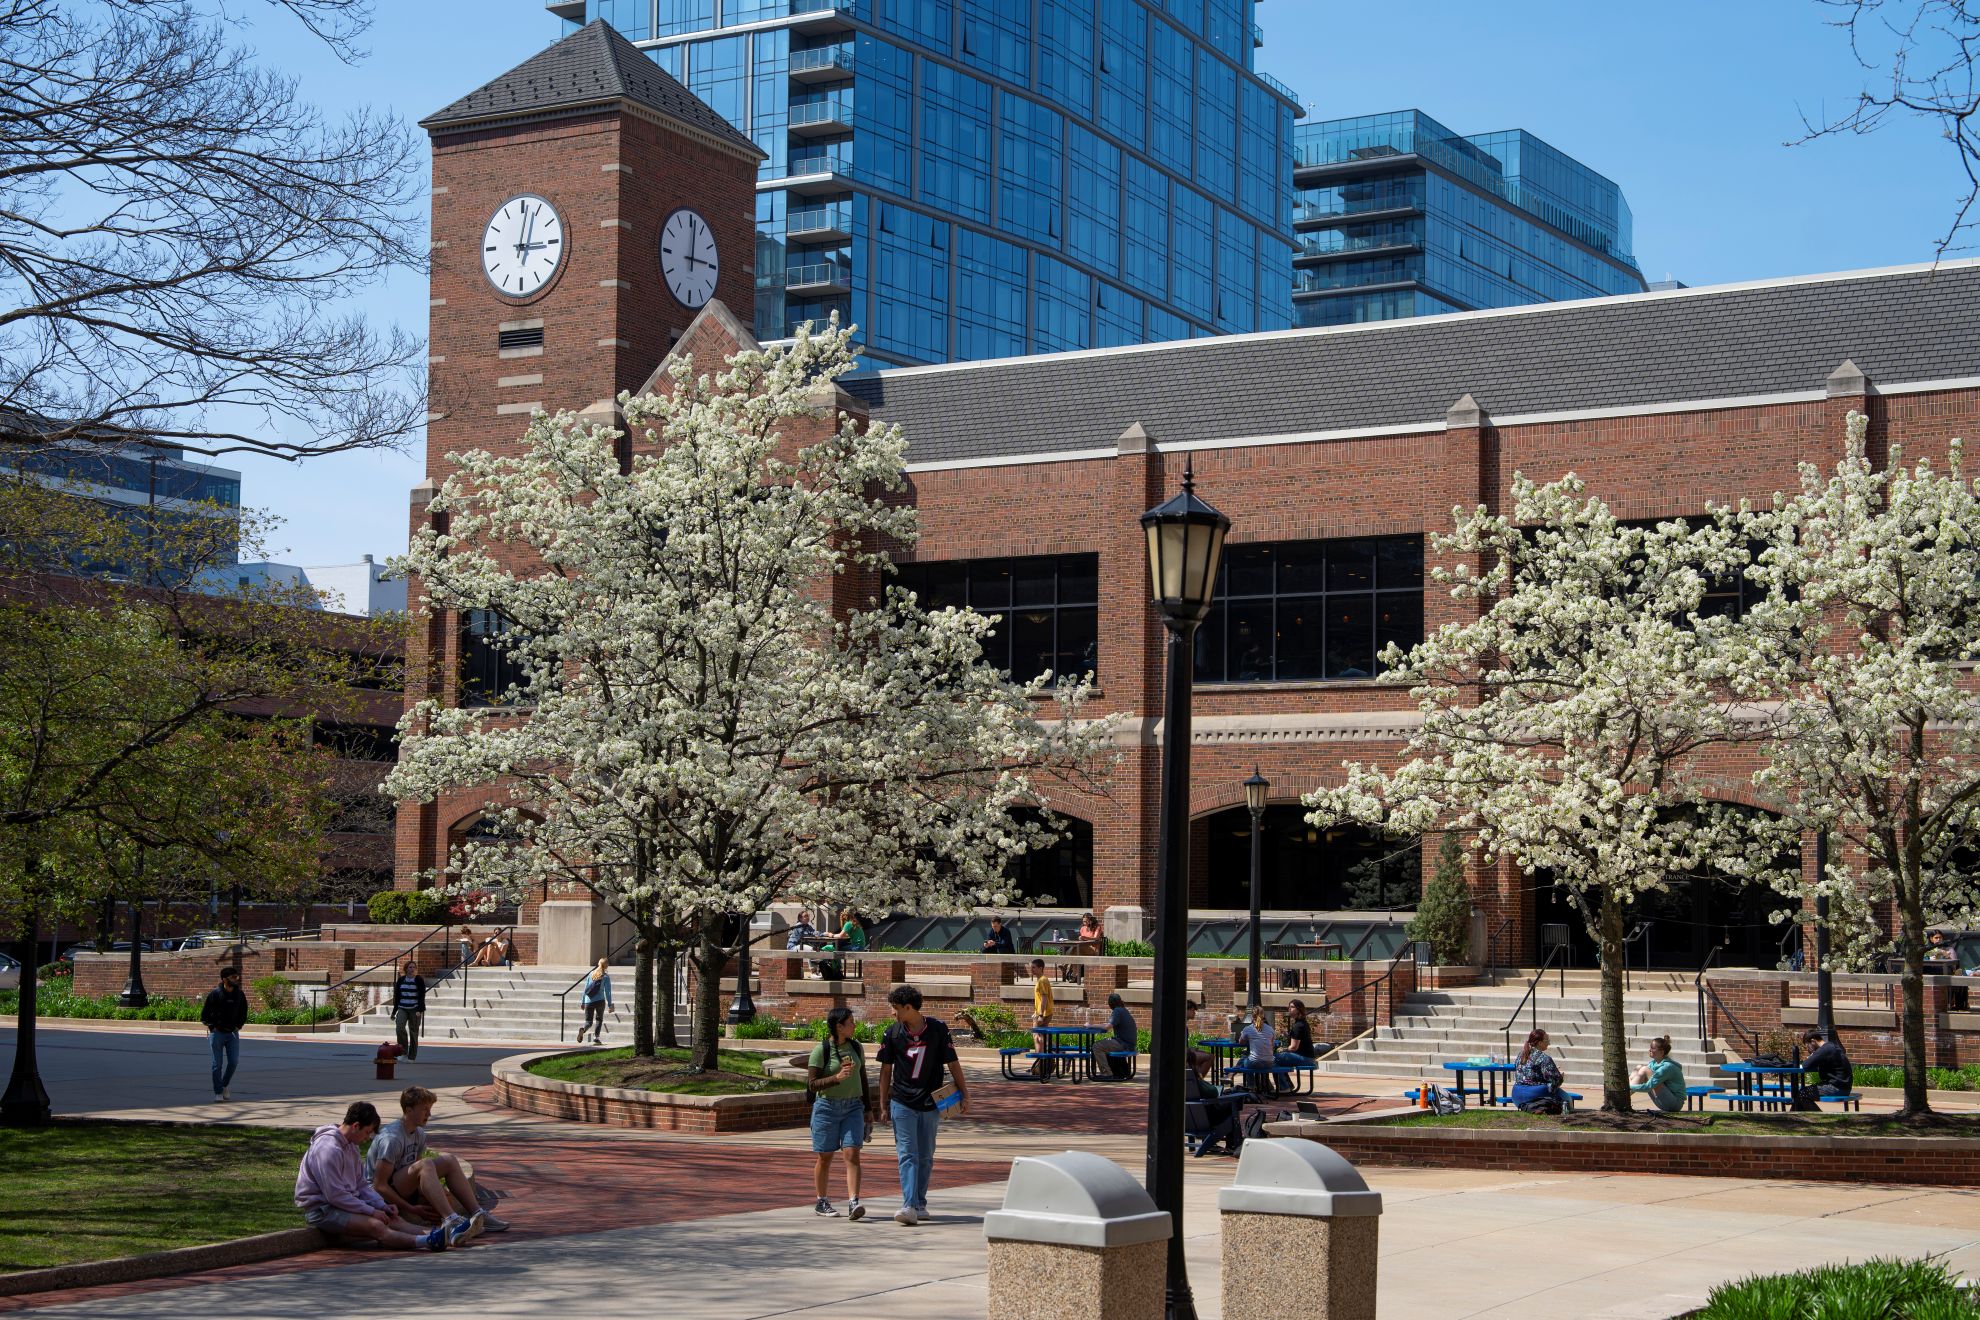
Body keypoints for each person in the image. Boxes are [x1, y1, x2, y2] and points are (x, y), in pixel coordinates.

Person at [296, 1100, 458, 1251]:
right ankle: (427, 1242)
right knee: (377, 1225)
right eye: (367, 1133)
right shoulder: (328, 1150)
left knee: (393, 1219)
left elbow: (360, 1184)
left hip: (346, 1203)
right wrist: (371, 1211)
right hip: (323, 1210)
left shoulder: (351, 1146)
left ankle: (444, 1235)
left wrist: (381, 1205)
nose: (367, 1139)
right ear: (356, 1126)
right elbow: (335, 1196)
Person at [876, 984, 969, 1226]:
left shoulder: (938, 1029)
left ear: (909, 1008)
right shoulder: (892, 1033)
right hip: (902, 1102)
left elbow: (953, 1063)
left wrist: (964, 1093)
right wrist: (883, 1103)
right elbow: (885, 1071)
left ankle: (919, 1202)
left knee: (926, 1155)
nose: (893, 1013)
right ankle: (908, 1205)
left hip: (930, 1103)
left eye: (896, 1008)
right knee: (908, 1154)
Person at [368, 1086, 508, 1234]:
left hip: (401, 1186)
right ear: (409, 1111)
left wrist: (436, 1194)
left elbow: (417, 1173)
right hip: (380, 1196)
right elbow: (379, 1185)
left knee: (449, 1160)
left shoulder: (419, 1133)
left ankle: (478, 1213)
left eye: (430, 1109)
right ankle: (451, 1220)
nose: (429, 1114)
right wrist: (411, 1208)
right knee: (426, 1163)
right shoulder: (392, 1139)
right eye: (424, 1109)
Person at [806, 1006, 875, 1220]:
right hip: (827, 1107)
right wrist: (836, 1078)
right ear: (839, 1026)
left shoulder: (856, 1047)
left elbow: (862, 1078)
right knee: (825, 1156)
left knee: (852, 1152)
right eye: (851, 1022)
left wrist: (869, 1108)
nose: (854, 1025)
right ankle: (822, 1201)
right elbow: (812, 1084)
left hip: (853, 1107)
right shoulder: (821, 1050)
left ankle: (853, 1201)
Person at [200, 964, 248, 1102]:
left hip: (232, 1033)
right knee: (217, 1064)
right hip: (217, 1033)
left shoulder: (239, 994)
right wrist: (212, 1027)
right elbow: (204, 1014)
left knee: (233, 1062)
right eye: (233, 977)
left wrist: (239, 1026)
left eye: (237, 976)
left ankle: (224, 1084)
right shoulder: (215, 994)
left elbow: (243, 1012)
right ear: (224, 979)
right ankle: (218, 1092)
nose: (236, 979)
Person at [1185, 1049, 1244, 1157]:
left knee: (1228, 1100)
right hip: (1208, 1119)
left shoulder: (1179, 1079)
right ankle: (1233, 1144)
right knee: (1233, 1102)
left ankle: (1214, 1143)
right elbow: (1213, 1092)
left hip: (1190, 1121)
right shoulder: (1195, 1081)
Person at [1511, 1028, 1567, 1113]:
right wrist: (1560, 1076)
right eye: (1547, 1040)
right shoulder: (1544, 1058)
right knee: (1567, 1098)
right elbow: (1554, 1082)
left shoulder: (1521, 1055)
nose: (1549, 1043)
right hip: (1534, 1095)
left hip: (1516, 1096)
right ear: (1540, 1043)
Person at [1795, 1028, 1854, 1107]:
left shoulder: (1825, 1049)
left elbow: (1806, 1065)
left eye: (1807, 1046)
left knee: (1802, 1094)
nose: (1808, 1049)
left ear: (1813, 1041)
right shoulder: (1830, 1046)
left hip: (1837, 1088)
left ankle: (1817, 1117)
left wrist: (1812, 1055)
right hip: (1844, 1087)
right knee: (1801, 1093)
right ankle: (1795, 1116)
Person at [1628, 1034, 1686, 1112]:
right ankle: (1622, 1095)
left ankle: (1622, 1096)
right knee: (1639, 1067)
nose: (1649, 1050)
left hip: (1674, 1104)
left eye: (1652, 1048)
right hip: (1663, 1099)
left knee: (1644, 1069)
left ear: (1661, 1052)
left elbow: (1648, 1087)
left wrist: (1629, 1086)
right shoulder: (1653, 1063)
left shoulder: (1667, 1067)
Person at [1237, 1006, 1284, 1093]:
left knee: (1245, 1059)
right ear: (1263, 1016)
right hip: (1269, 1062)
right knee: (1258, 1058)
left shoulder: (1248, 1029)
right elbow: (1272, 1045)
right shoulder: (1270, 1029)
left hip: (1255, 1062)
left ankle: (1251, 1086)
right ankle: (1265, 1085)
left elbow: (1241, 1042)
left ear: (1252, 1016)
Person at [391, 961, 427, 1063]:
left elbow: (422, 995)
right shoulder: (401, 980)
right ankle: (402, 1052)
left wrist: (420, 1010)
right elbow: (397, 996)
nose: (412, 969)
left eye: (414, 968)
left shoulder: (419, 979)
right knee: (399, 1028)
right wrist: (394, 1011)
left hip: (415, 1009)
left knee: (413, 1032)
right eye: (410, 967)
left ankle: (412, 1057)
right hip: (402, 1007)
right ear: (406, 969)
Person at [1099, 991, 1137, 1079]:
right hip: (1129, 1044)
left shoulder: (1117, 1011)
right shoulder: (1123, 1010)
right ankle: (1118, 1071)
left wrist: (1090, 1026)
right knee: (1105, 1043)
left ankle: (1107, 1073)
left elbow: (1107, 1027)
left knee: (1096, 1046)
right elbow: (1110, 1023)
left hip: (1124, 1044)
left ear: (1111, 1003)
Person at [1028, 957, 1055, 1077]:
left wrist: (1040, 1015)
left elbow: (1044, 998)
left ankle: (1039, 1064)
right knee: (1043, 1038)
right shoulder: (1041, 980)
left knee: (1037, 1037)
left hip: (1042, 1014)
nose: (1032, 970)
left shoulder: (1042, 981)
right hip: (1042, 1013)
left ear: (1041, 968)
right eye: (1031, 967)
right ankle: (1047, 1061)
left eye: (1034, 967)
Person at [576, 958, 613, 1045]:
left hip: (589, 1001)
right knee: (599, 1019)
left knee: (588, 1021)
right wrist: (610, 1004)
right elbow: (608, 992)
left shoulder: (591, 974)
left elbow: (585, 989)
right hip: (600, 1000)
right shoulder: (606, 976)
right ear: (606, 966)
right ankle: (596, 1038)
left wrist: (583, 1002)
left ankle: (583, 1029)